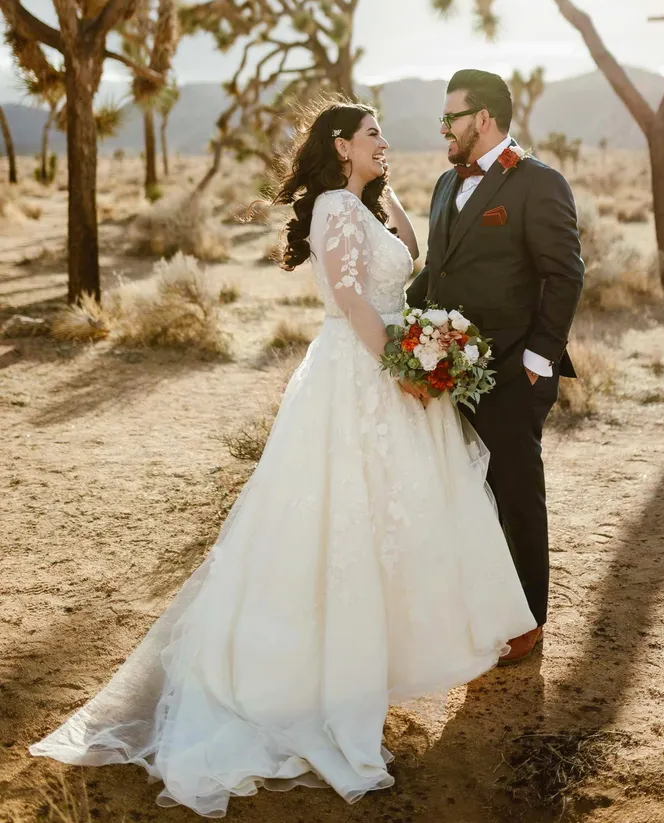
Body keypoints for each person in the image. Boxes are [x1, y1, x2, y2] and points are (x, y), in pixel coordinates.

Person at [29, 99, 535, 818]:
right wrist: (402, 366)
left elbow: (408, 257)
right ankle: (311, 675)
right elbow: (355, 301)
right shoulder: (332, 206)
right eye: (373, 135)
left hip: (387, 368)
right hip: (358, 373)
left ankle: (376, 659)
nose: (385, 141)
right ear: (341, 144)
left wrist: (384, 194)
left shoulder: (358, 200)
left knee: (392, 519)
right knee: (341, 521)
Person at [407, 70, 584, 663]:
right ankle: (481, 611)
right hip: (448, 370)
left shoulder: (539, 183)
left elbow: (565, 274)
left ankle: (528, 621)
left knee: (515, 493)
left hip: (514, 372)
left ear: (482, 118)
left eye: (450, 118)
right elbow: (438, 272)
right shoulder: (441, 185)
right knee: (469, 494)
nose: (443, 129)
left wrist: (539, 360)